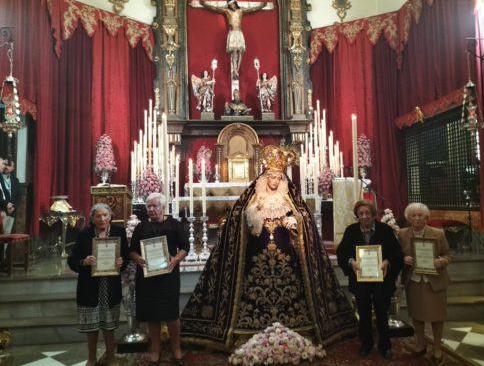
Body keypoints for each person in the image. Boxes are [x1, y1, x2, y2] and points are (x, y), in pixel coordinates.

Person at [181, 145, 358, 350]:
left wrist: (295, 221)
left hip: (285, 253)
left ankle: (294, 323)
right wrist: (253, 216)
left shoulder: (288, 198)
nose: (274, 182)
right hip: (257, 252)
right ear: (266, 178)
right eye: (271, 178)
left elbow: (301, 216)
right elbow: (239, 217)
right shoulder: (254, 198)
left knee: (289, 280)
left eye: (278, 178)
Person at [336, 200, 403, 359]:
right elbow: (342, 253)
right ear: (357, 216)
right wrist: (351, 262)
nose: (365, 216)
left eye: (368, 213)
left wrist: (388, 261)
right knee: (364, 314)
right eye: (361, 214)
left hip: (382, 280)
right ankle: (366, 344)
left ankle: (385, 345)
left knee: (382, 313)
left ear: (374, 215)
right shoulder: (351, 231)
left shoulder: (385, 230)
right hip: (360, 281)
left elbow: (397, 253)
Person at [129, 193, 189, 365]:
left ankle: (176, 348)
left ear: (163, 207)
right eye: (148, 206)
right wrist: (137, 258)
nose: (151, 209)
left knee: (171, 314)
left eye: (154, 206)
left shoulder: (174, 224)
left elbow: (185, 246)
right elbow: (131, 250)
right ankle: (156, 350)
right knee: (152, 314)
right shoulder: (141, 227)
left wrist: (176, 259)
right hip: (147, 277)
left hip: (168, 276)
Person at [67, 203, 128, 366]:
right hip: (89, 286)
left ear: (110, 216)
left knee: (109, 325)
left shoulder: (119, 232)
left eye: (105, 215)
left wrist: (122, 261)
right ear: (92, 219)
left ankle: (110, 356)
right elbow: (72, 261)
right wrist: (84, 261)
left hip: (110, 284)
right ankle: (92, 358)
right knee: (91, 326)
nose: (102, 219)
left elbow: (126, 257)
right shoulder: (84, 235)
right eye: (98, 216)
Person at [398, 202, 451, 365]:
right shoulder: (402, 234)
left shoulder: (438, 233)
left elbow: (448, 255)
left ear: (426, 217)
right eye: (413, 215)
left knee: (437, 316)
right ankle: (420, 344)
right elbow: (395, 255)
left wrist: (442, 261)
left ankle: (437, 347)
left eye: (420, 215)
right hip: (413, 280)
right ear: (408, 217)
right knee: (417, 315)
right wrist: (402, 259)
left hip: (433, 281)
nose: (416, 218)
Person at [197, 0, 266, 80]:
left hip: (239, 32)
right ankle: (235, 70)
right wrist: (205, 5)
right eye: (230, 5)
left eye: (233, 4)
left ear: (235, 3)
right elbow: (215, 8)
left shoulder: (240, 10)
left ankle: (237, 69)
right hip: (233, 33)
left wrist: (261, 6)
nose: (232, 6)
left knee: (240, 52)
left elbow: (251, 9)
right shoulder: (227, 11)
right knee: (233, 52)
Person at [0, 159, 21, 233]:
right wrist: (5, 205)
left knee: (7, 235)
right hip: (1, 210)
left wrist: (13, 207)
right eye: (4, 164)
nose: (6, 167)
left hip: (11, 212)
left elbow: (19, 197)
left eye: (8, 165)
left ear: (13, 168)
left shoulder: (15, 180)